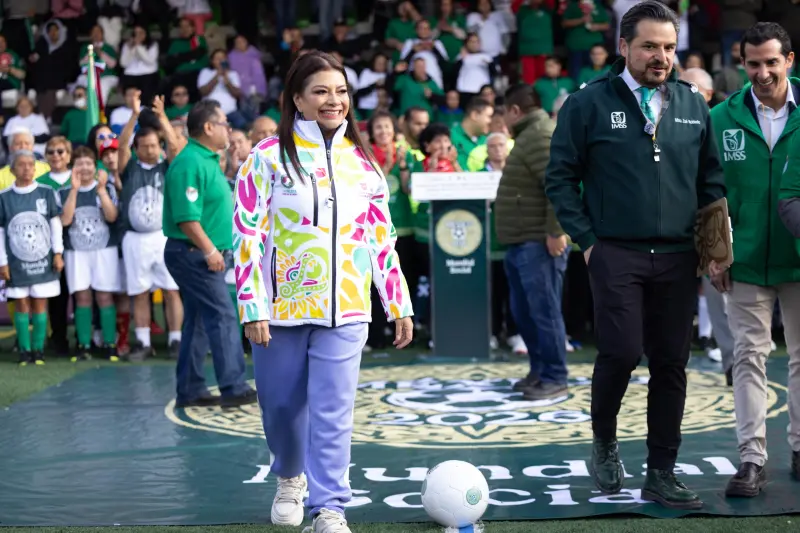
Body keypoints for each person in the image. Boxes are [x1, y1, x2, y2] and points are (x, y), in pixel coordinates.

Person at [545, 0, 725, 509]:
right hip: (615, 252)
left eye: (668, 47)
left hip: (678, 256)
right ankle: (604, 439)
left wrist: (713, 247)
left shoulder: (692, 103)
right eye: (649, 46)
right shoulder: (587, 103)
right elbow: (560, 178)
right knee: (622, 352)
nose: (660, 56)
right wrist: (588, 241)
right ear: (624, 46)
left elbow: (711, 179)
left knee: (671, 363)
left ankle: (661, 471)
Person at [232, 51, 414, 533]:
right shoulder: (266, 156)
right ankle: (290, 476)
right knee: (280, 407)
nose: (334, 100)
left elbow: (381, 238)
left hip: (347, 308)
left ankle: (330, 508)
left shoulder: (364, 164)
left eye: (341, 91)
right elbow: (246, 233)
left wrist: (397, 301)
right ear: (297, 99)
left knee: (334, 411)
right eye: (321, 91)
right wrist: (252, 305)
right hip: (279, 310)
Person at [710, 22, 800, 497]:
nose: (762, 72)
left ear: (789, 60)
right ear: (741, 64)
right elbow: (709, 190)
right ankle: (751, 459)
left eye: (771, 62)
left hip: (799, 257)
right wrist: (714, 252)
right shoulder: (721, 117)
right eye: (753, 63)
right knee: (748, 357)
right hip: (743, 260)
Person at [162, 99, 257, 409]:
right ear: (207, 127)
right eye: (224, 124)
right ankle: (233, 386)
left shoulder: (204, 159)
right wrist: (210, 249)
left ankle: (190, 389)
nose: (228, 129)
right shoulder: (190, 162)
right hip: (195, 253)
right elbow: (186, 218)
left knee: (200, 320)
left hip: (199, 252)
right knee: (223, 315)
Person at [494, 84, 567, 399]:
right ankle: (540, 371)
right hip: (525, 241)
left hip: (539, 242)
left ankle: (554, 376)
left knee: (544, 312)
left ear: (514, 110)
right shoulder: (530, 134)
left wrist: (555, 232)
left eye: (504, 113)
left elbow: (558, 185)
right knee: (526, 312)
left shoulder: (538, 134)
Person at [118, 91, 185, 361]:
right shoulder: (129, 168)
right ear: (137, 149)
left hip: (162, 237)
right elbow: (121, 147)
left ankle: (176, 340)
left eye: (154, 145)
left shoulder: (168, 167)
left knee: (171, 290)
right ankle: (143, 342)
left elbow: (176, 147)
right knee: (139, 292)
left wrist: (162, 117)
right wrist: (134, 115)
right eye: (144, 146)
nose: (149, 150)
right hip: (135, 239)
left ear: (159, 146)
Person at [680, 66, 735, 384]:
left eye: (692, 89)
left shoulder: (721, 122)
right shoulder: (670, 122)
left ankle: (735, 364)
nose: (684, 94)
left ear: (709, 94)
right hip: (680, 222)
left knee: (722, 295)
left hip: (717, 218)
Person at [0, 150, 64, 366]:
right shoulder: (4, 197)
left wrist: (58, 253)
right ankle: (24, 350)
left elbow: (55, 226)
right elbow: (0, 232)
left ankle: (38, 349)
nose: (27, 168)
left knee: (39, 302)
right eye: (21, 164)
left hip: (43, 260)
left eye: (30, 164)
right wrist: (2, 262)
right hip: (16, 261)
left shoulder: (46, 192)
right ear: (12, 170)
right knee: (21, 303)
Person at [58, 146, 121, 362]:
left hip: (104, 249)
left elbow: (112, 216)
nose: (84, 168)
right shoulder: (64, 191)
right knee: (82, 297)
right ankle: (83, 344)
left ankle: (110, 343)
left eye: (88, 164)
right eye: (79, 164)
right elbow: (65, 220)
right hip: (76, 251)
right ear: (72, 168)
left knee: (104, 296)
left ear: (95, 166)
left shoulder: (107, 187)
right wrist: (74, 190)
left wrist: (101, 191)